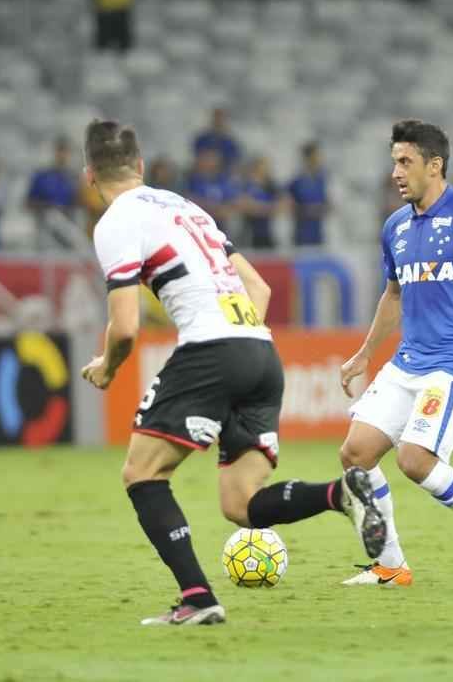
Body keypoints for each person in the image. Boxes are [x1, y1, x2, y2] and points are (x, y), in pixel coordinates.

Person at [77, 119, 385, 626]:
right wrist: (237, 352)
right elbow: (258, 289)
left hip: (209, 349)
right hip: (260, 351)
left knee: (142, 473)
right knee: (240, 504)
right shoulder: (185, 207)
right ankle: (341, 494)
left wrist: (107, 366)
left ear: (89, 175)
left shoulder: (114, 222)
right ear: (143, 166)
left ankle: (197, 597)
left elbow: (126, 326)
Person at [337, 119, 453, 587]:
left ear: (434, 165)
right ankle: (391, 565)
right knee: (355, 455)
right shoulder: (395, 226)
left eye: (405, 162)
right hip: (409, 361)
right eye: (394, 163)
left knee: (414, 459)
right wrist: (365, 353)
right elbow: (394, 295)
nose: (396, 173)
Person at [26, 136, 80, 247]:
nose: (62, 155)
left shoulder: (73, 177)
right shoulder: (43, 176)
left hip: (67, 226)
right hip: (46, 227)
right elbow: (29, 201)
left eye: (65, 151)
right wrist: (47, 207)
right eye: (59, 151)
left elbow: (78, 203)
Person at [288, 141, 330, 247]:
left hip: (318, 234)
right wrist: (305, 209)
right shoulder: (297, 180)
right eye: (316, 156)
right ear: (308, 157)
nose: (319, 159)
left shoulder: (321, 179)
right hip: (301, 234)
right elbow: (289, 204)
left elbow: (328, 204)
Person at [238, 157, 282, 249]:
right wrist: (266, 208)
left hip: (268, 231)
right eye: (261, 167)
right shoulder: (246, 185)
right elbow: (245, 206)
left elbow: (280, 206)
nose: (264, 170)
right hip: (250, 231)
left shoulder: (271, 186)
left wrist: (258, 207)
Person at [191, 107, 242, 171]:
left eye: (221, 118)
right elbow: (196, 156)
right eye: (216, 118)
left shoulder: (231, 143)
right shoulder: (201, 139)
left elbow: (234, 162)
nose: (218, 121)